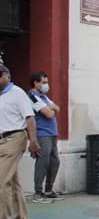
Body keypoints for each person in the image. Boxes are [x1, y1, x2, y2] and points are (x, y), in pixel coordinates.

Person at [0, 64, 41, 219]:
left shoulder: (17, 93)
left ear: (5, 76)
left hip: (15, 138)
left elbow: (29, 118)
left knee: (1, 181)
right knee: (12, 181)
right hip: (3, 140)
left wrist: (33, 141)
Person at [28, 71, 63, 203]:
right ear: (35, 83)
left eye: (47, 82)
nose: (46, 85)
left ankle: (49, 190)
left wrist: (50, 108)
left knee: (55, 161)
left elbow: (57, 109)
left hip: (52, 133)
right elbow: (49, 113)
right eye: (43, 82)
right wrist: (51, 108)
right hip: (42, 134)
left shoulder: (43, 96)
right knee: (43, 162)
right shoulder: (32, 96)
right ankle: (38, 193)